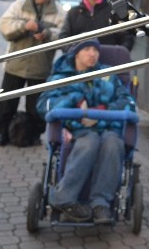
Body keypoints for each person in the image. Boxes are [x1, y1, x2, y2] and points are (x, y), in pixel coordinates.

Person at [36, 38, 137, 223]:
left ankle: (100, 205)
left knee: (113, 143)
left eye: (95, 50)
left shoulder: (108, 74)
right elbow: (44, 105)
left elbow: (128, 101)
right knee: (90, 142)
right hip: (78, 131)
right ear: (76, 53)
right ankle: (63, 198)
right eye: (87, 49)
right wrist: (75, 101)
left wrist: (103, 111)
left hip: (107, 128)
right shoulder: (61, 77)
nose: (93, 54)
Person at [0, 0, 65, 147]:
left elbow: (64, 35)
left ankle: (35, 135)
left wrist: (47, 33)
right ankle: (2, 134)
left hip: (40, 67)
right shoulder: (19, 4)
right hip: (15, 64)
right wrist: (24, 26)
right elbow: (4, 25)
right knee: (6, 103)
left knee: (36, 106)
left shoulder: (59, 12)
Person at [59, 0, 134, 50]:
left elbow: (127, 37)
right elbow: (64, 38)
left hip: (109, 60)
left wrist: (118, 54)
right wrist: (73, 53)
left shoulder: (114, 11)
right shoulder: (73, 13)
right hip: (79, 60)